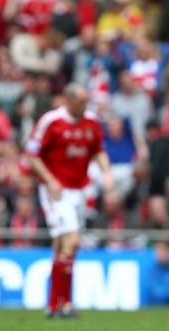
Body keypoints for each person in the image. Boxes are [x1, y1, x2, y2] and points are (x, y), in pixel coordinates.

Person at [25, 83, 113, 318]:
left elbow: (98, 150)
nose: (86, 106)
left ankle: (56, 305)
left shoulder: (92, 121)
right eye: (82, 101)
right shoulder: (51, 121)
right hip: (57, 191)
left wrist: (106, 173)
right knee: (72, 241)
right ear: (69, 100)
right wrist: (50, 180)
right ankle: (64, 303)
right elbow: (32, 155)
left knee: (62, 246)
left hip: (79, 190)